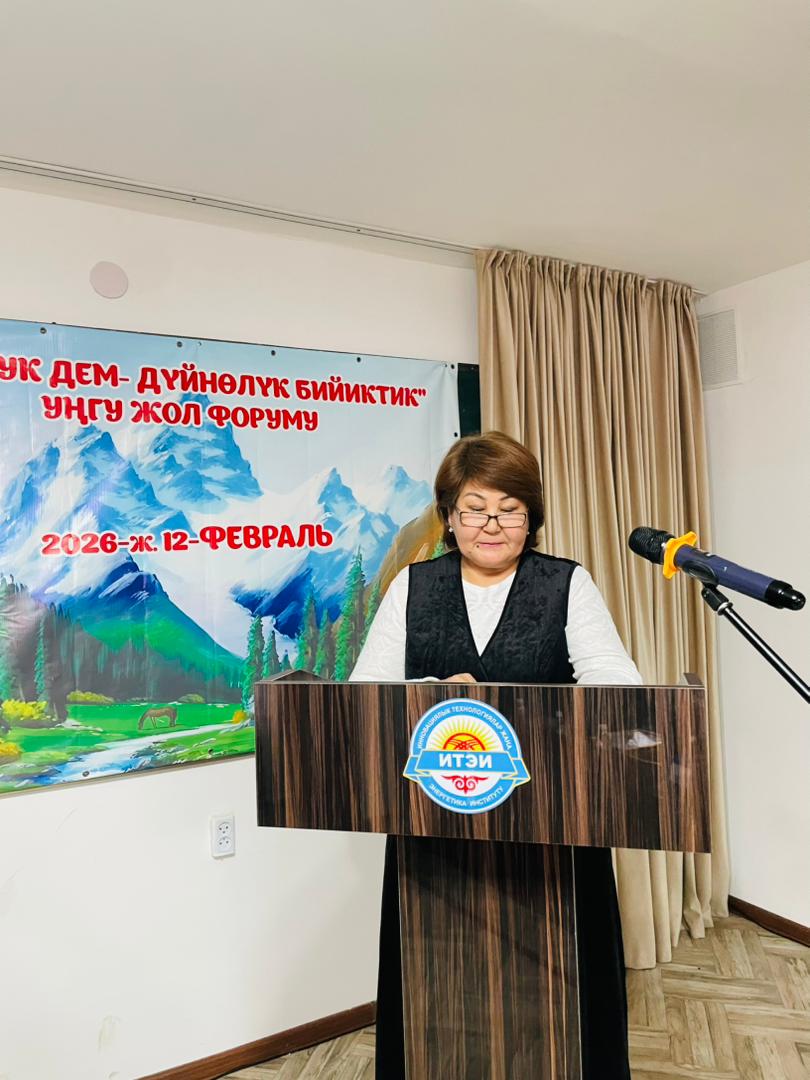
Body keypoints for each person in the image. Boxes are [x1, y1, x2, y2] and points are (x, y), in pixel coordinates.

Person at [351, 431, 641, 1080]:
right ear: (449, 517)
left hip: (555, 832)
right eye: (474, 508)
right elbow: (364, 697)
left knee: (562, 1009)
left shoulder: (566, 583)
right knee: (438, 1001)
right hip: (436, 834)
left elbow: (618, 687)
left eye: (509, 509)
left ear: (531, 518)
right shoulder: (411, 589)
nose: (490, 524)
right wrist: (432, 691)